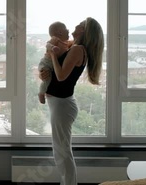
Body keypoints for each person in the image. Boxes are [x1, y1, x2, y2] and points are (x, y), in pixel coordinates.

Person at [39, 17, 104, 185]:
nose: (76, 25)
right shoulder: (73, 47)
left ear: (85, 31)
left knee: (63, 152)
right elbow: (55, 71)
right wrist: (44, 73)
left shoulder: (77, 49)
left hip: (62, 105)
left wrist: (52, 53)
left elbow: (61, 76)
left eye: (81, 24)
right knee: (61, 151)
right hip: (60, 104)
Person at [38, 22, 73, 104]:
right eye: (67, 30)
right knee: (47, 79)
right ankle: (41, 93)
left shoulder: (66, 43)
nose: (69, 32)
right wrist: (53, 48)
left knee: (48, 78)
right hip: (46, 63)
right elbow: (48, 44)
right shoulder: (55, 40)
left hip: (52, 66)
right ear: (60, 32)